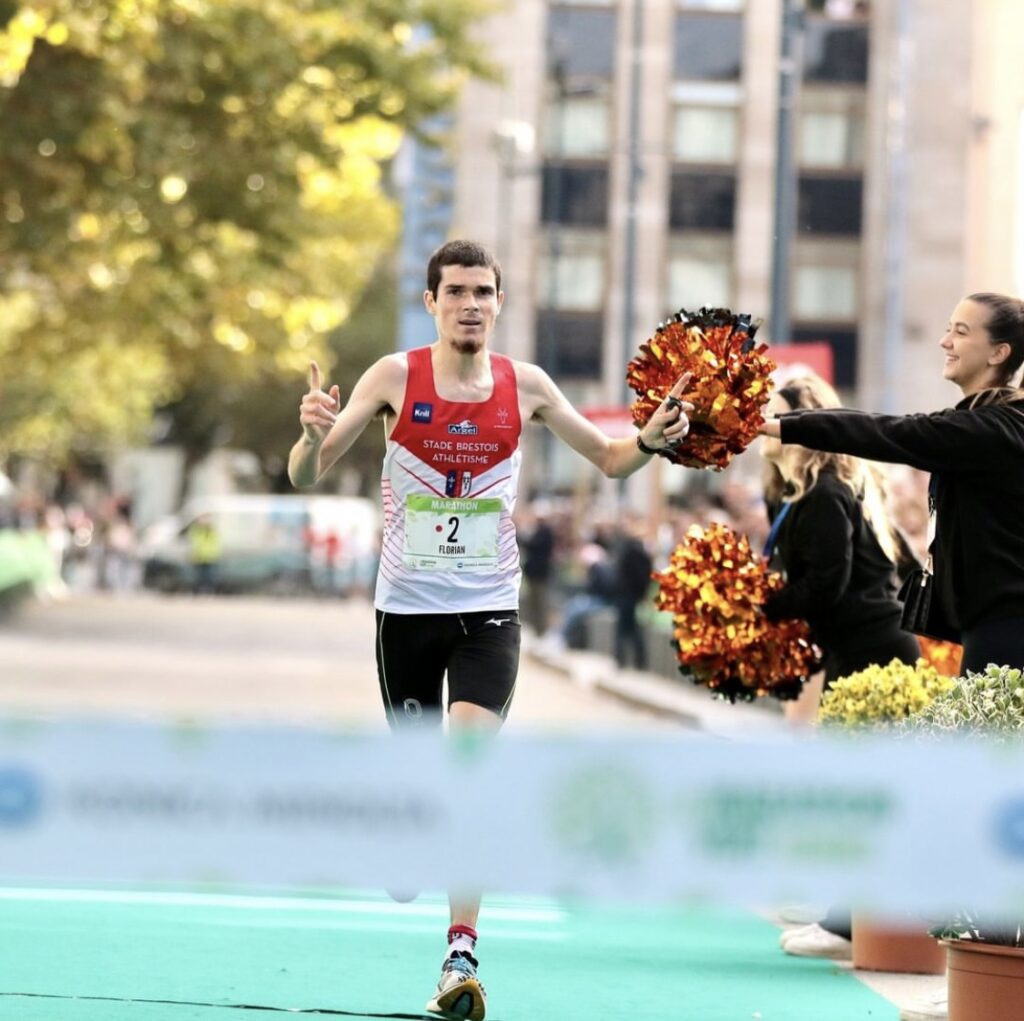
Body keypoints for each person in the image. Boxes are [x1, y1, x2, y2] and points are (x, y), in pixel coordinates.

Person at [287, 239, 691, 1021]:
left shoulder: (528, 386)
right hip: (405, 609)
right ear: (432, 301)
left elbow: (610, 459)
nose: (471, 303)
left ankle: (460, 951)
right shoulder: (393, 377)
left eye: (484, 291)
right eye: (456, 291)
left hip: (489, 610)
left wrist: (651, 439)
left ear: (499, 302)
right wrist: (310, 433)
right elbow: (310, 472)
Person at [761, 293, 1024, 681]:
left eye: (961, 332)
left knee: (991, 742)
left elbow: (883, 431)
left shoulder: (988, 430)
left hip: (1005, 632)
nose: (945, 341)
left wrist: (782, 426)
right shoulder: (977, 422)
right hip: (991, 627)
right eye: (948, 329)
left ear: (998, 353)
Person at [759, 373, 921, 961]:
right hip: (866, 653)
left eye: (775, 418)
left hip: (874, 656)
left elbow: (826, 586)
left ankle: (848, 923)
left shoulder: (827, 491)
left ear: (806, 425)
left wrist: (756, 602)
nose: (764, 429)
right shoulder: (826, 489)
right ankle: (845, 918)